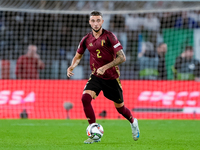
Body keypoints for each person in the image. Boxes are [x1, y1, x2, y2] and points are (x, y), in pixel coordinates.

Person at [67, 11, 140, 144]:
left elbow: (122, 57)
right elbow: (78, 56)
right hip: (96, 76)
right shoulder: (86, 39)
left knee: (120, 108)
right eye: (93, 21)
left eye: (98, 20)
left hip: (111, 78)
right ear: (90, 22)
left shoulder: (109, 36)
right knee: (85, 98)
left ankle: (133, 122)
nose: (96, 23)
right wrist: (72, 66)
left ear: (102, 22)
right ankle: (94, 133)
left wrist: (105, 67)